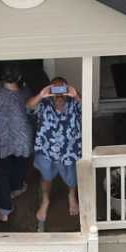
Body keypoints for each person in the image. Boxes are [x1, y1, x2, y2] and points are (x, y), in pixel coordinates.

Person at [27, 77, 82, 228]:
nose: (58, 94)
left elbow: (87, 109)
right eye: (55, 89)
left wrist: (76, 95)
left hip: (69, 152)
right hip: (46, 151)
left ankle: (72, 196)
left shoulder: (74, 103)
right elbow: (28, 107)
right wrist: (41, 94)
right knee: (46, 178)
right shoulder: (44, 104)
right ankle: (45, 200)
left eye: (62, 89)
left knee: (71, 178)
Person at [0, 67, 33, 224]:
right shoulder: (26, 92)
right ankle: (16, 188)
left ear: (1, 78)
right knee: (20, 164)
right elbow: (32, 111)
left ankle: (4, 209)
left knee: (1, 173)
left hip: (0, 137)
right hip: (22, 136)